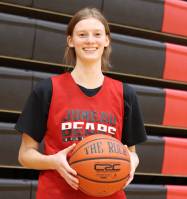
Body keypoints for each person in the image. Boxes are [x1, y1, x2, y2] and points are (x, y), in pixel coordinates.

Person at [15, 7, 147, 199]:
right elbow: (25, 155)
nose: (90, 40)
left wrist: (131, 164)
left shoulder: (125, 94)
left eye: (97, 34)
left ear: (106, 40)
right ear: (71, 40)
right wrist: (54, 161)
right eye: (82, 34)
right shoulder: (47, 90)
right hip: (58, 193)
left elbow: (132, 153)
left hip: (109, 193)